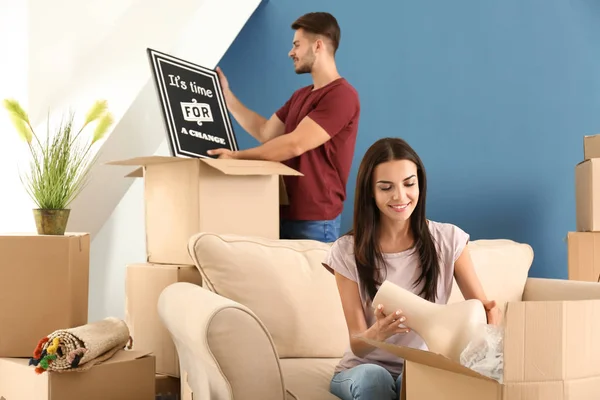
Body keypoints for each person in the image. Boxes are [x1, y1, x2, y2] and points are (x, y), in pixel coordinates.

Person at [321, 137, 502, 400]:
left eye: (409, 184)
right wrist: (377, 333)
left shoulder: (448, 240)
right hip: (362, 370)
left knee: (419, 377)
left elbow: (481, 309)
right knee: (375, 379)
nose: (400, 196)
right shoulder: (348, 250)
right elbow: (357, 344)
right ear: (370, 191)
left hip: (420, 364)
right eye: (386, 187)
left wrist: (490, 320)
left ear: (420, 184)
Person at [207, 12, 360, 243]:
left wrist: (238, 157)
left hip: (315, 221)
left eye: (297, 45)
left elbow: (294, 144)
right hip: (281, 212)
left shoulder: (341, 96)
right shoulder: (300, 96)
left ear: (318, 46)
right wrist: (227, 98)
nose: (291, 52)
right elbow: (265, 132)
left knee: (309, 281)